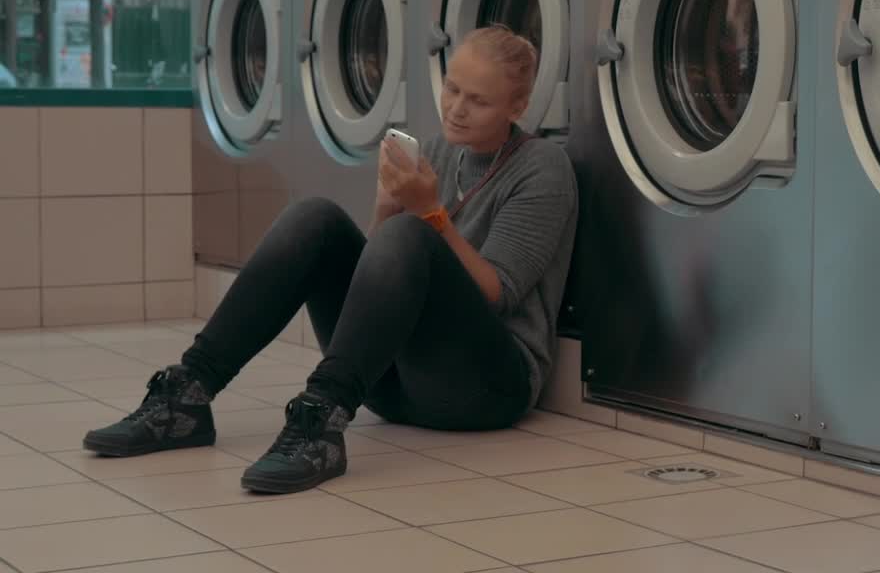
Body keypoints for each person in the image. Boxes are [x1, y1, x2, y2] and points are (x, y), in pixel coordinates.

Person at [82, 25, 579, 494]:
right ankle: (186, 398)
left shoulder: (542, 167)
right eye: (452, 89)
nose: (456, 109)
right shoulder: (439, 153)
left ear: (517, 106)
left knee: (411, 231)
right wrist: (386, 208)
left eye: (479, 100)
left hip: (485, 391)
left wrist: (429, 213)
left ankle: (320, 419)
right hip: (391, 387)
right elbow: (384, 276)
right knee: (314, 218)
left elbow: (497, 295)